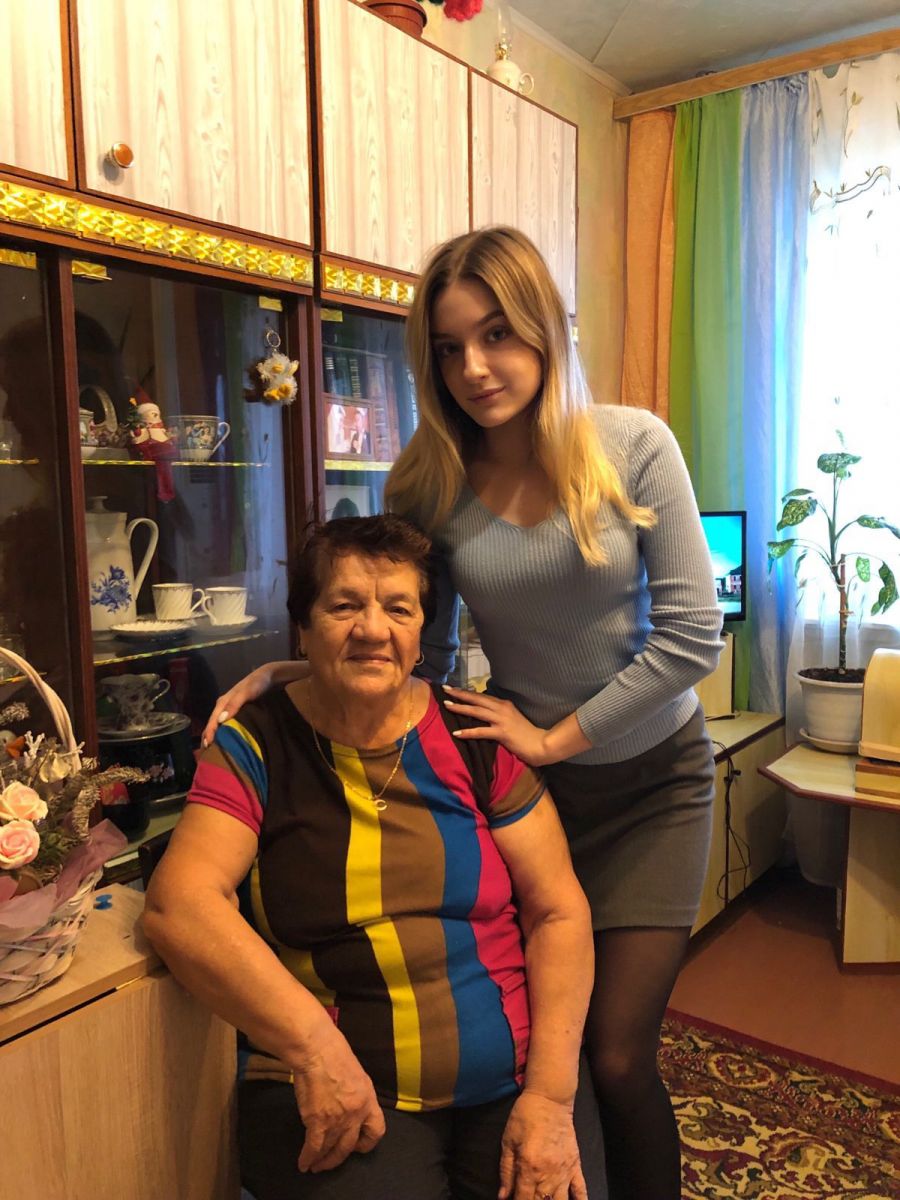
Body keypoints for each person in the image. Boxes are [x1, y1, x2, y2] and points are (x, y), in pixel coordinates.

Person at [203, 226, 724, 1200]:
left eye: (497, 335)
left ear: (544, 330)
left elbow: (696, 638)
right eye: (449, 348)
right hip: (533, 797)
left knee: (617, 1055)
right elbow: (422, 654)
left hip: (655, 785)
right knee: (556, 1046)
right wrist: (300, 668)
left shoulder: (633, 446)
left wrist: (555, 736)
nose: (475, 368)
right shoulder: (428, 481)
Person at [147, 514, 603, 1200]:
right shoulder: (255, 745)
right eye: (344, 606)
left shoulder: (474, 737)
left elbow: (558, 910)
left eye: (398, 608)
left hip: (514, 1082)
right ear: (303, 628)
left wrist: (551, 1096)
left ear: (421, 634)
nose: (372, 629)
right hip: (341, 1087)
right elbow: (178, 906)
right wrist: (316, 1051)